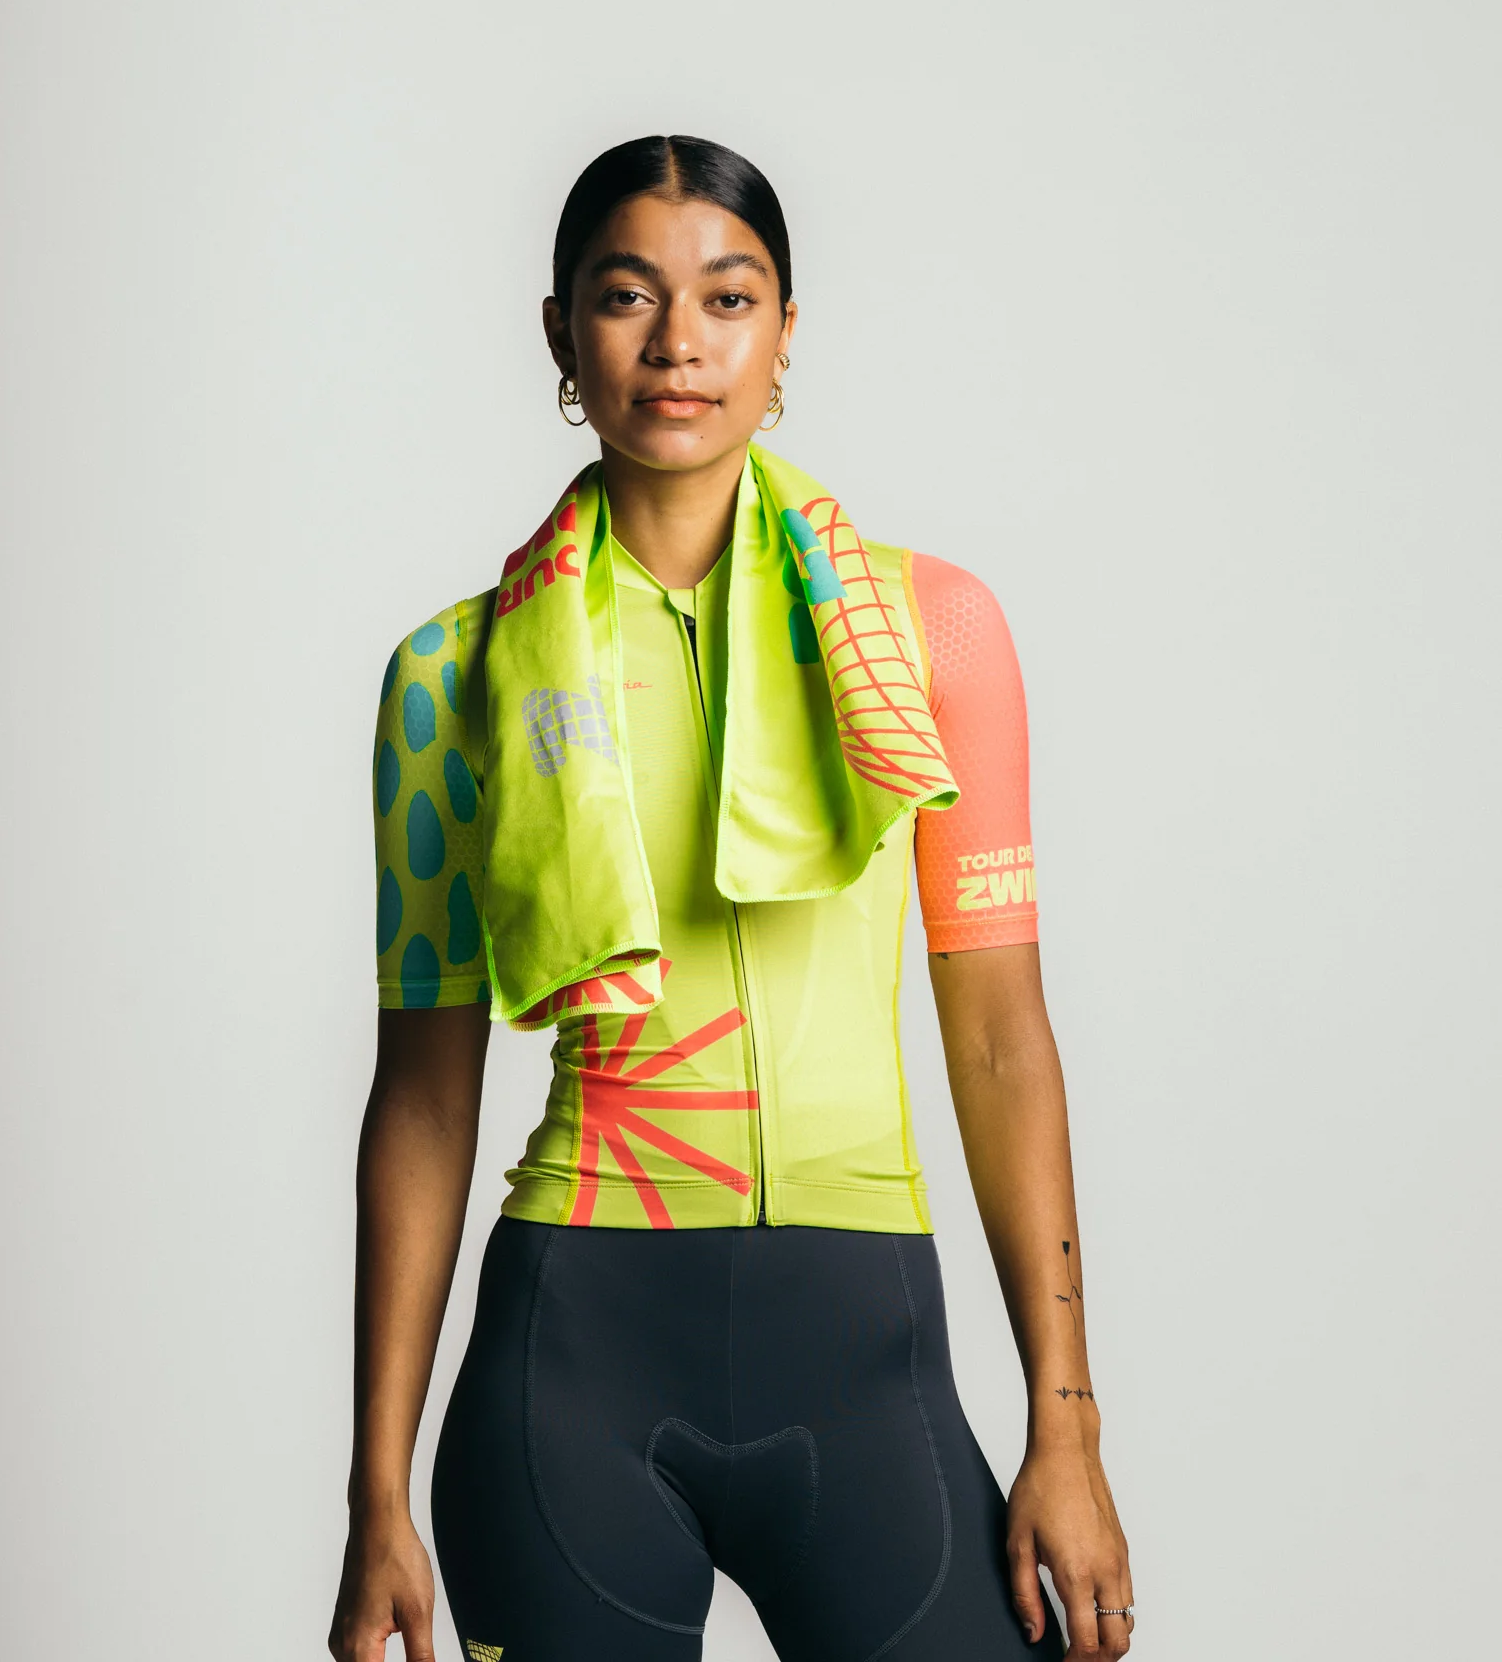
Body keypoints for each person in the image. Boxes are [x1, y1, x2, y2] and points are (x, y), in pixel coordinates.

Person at [327, 135, 1133, 1662]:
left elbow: (1001, 1041)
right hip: (569, 1369)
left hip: (868, 1354)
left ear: (785, 334)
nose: (679, 342)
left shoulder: (933, 635)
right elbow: (423, 1101)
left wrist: (1068, 1427)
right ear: (562, 332)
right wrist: (375, 1495)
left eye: (728, 297)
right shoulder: (453, 679)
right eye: (627, 295)